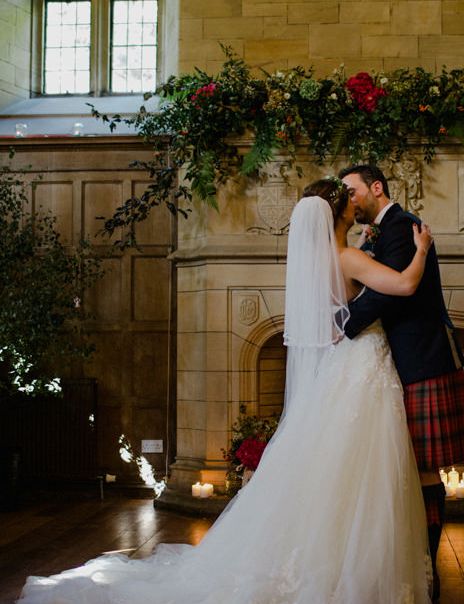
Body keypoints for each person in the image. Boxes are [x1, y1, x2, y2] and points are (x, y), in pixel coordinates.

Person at [18, 178, 436, 604]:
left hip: (345, 365)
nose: (354, 203)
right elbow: (403, 286)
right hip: (363, 363)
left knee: (337, 464)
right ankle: (355, 567)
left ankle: (330, 561)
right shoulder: (345, 257)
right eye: (346, 199)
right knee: (362, 465)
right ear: (336, 213)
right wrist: (421, 249)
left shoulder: (324, 258)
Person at [340, 164, 464, 602]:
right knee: (406, 468)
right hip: (401, 361)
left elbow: (386, 293)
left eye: (352, 191)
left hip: (421, 361)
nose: (349, 199)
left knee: (422, 469)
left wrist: (341, 325)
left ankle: (427, 565)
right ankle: (413, 561)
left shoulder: (402, 227)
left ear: (376, 188)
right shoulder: (383, 231)